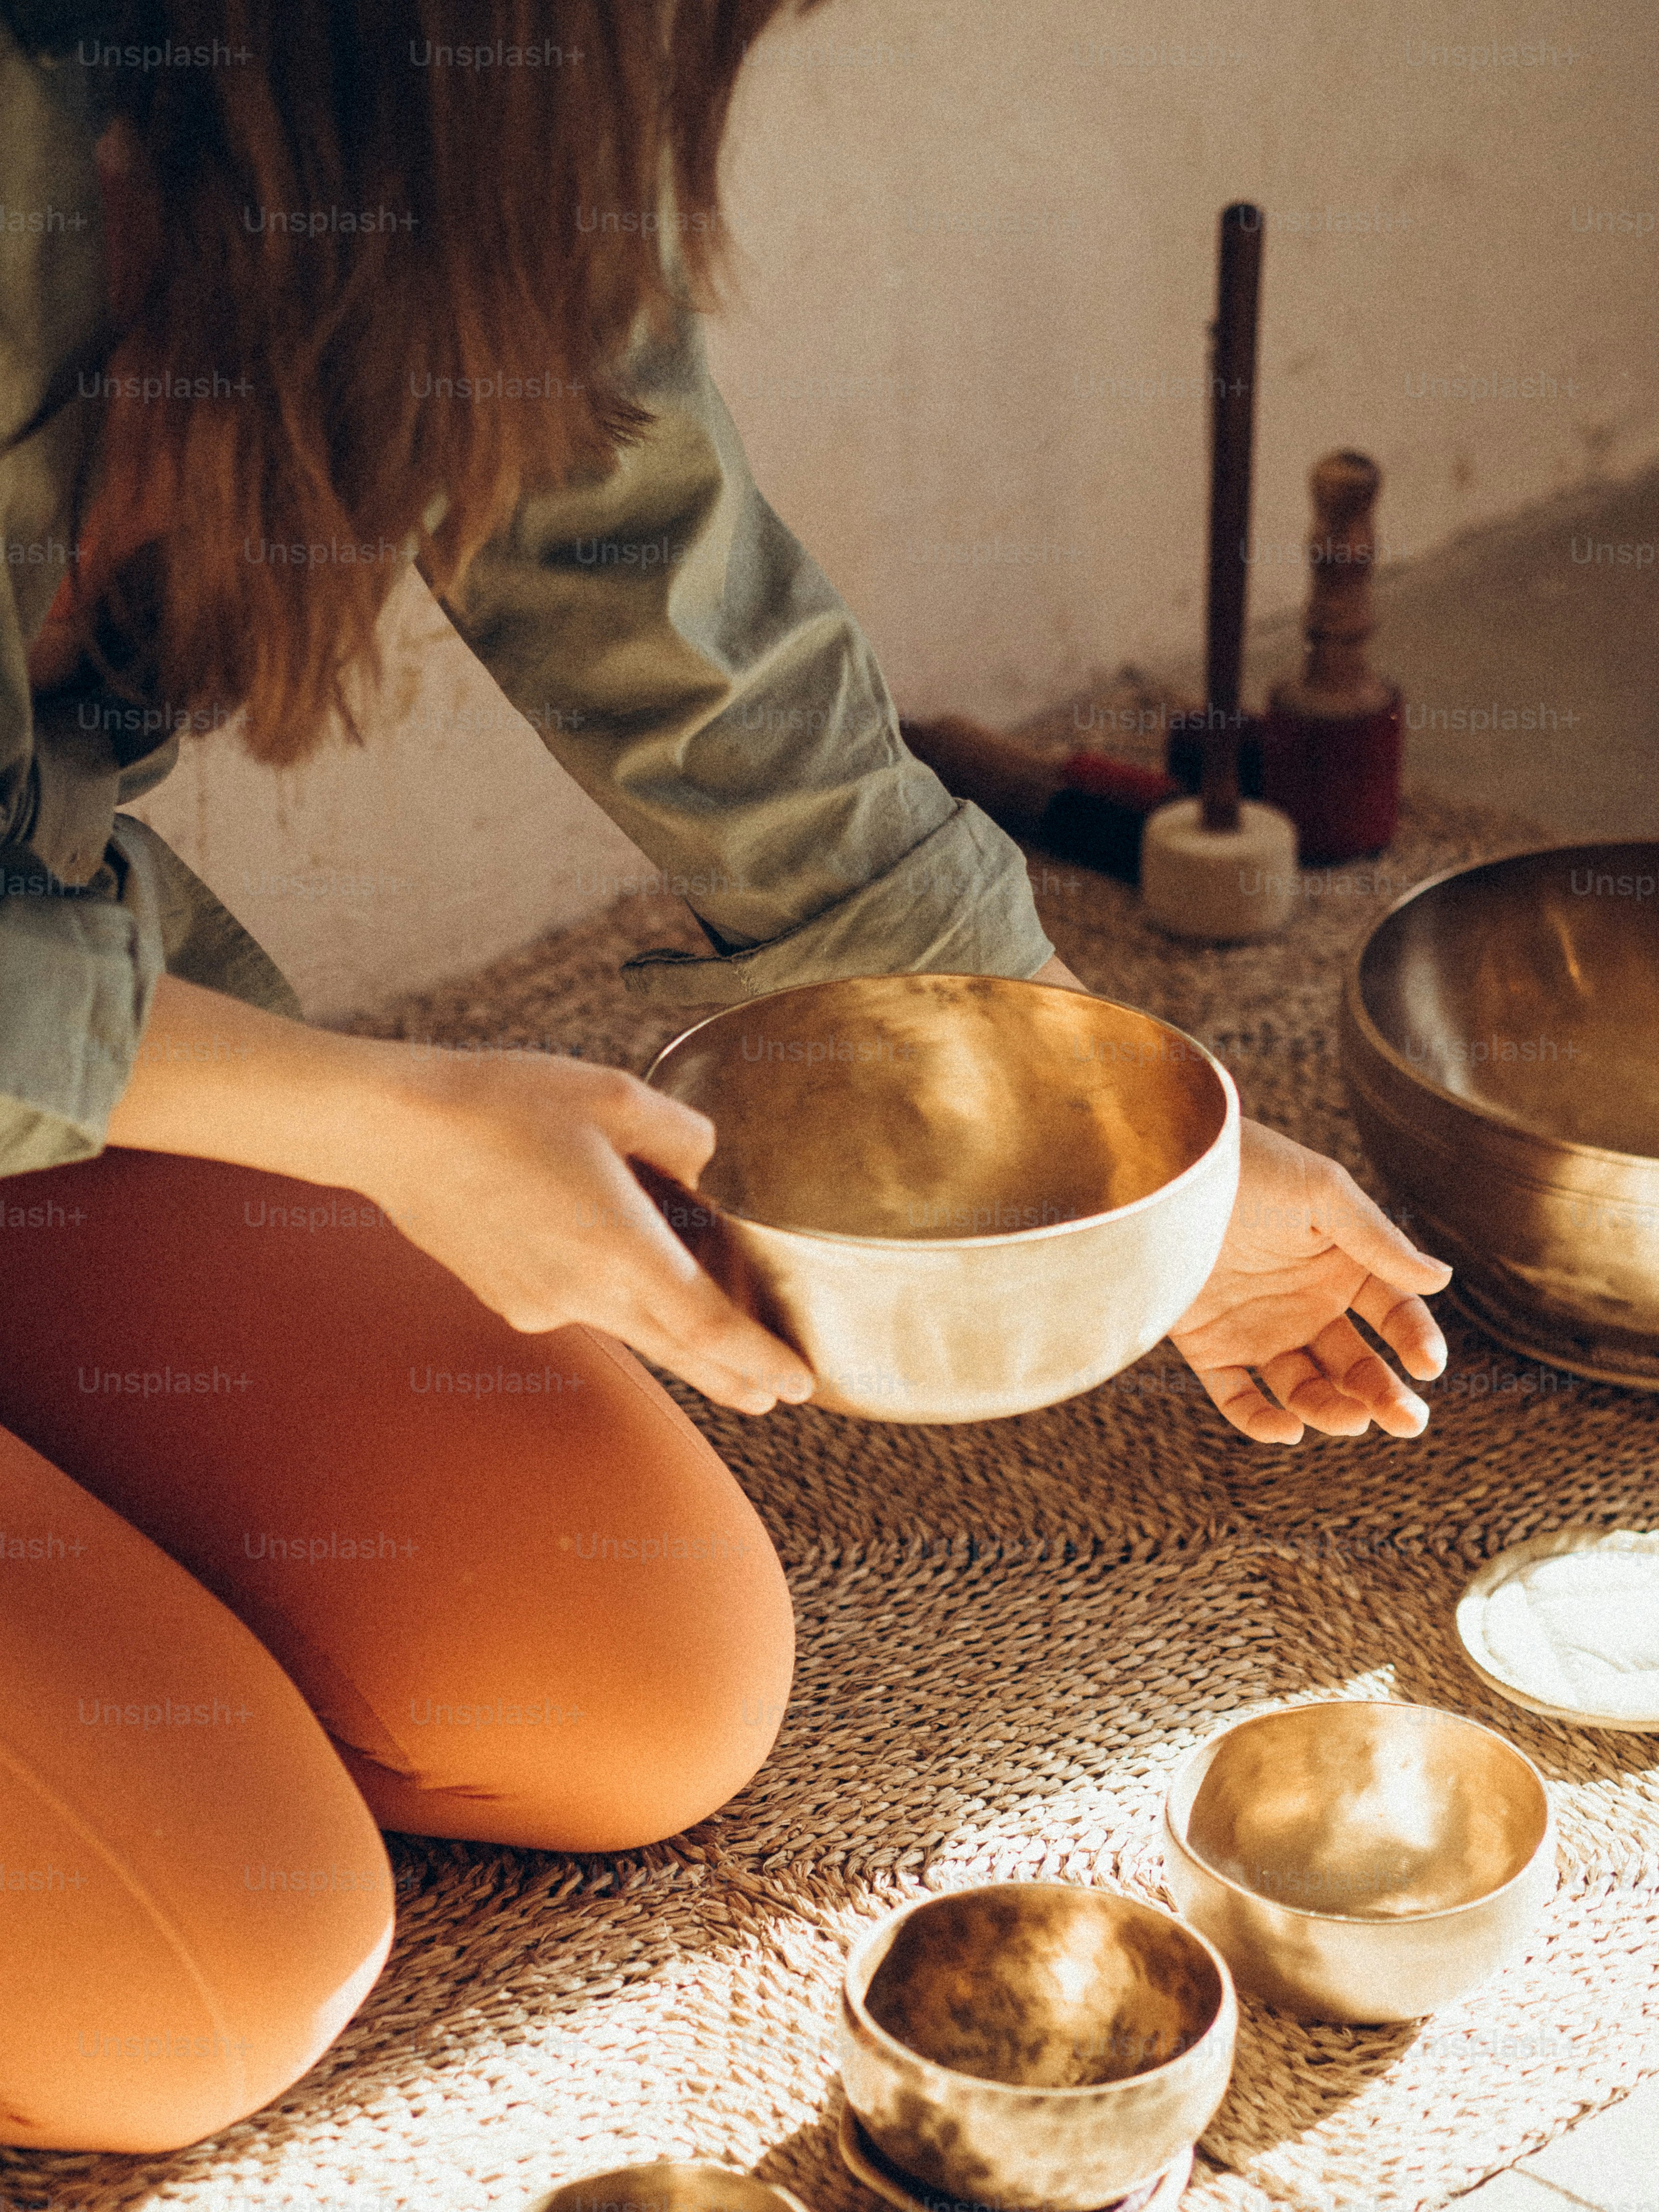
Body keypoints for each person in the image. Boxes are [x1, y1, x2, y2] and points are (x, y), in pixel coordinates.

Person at [0, 0, 1453, 2154]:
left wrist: (1093, 1154)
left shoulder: (444, 75)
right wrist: (372, 1120)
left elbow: (644, 570)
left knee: (634, 1679)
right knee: (204, 1991)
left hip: (56, 1005)